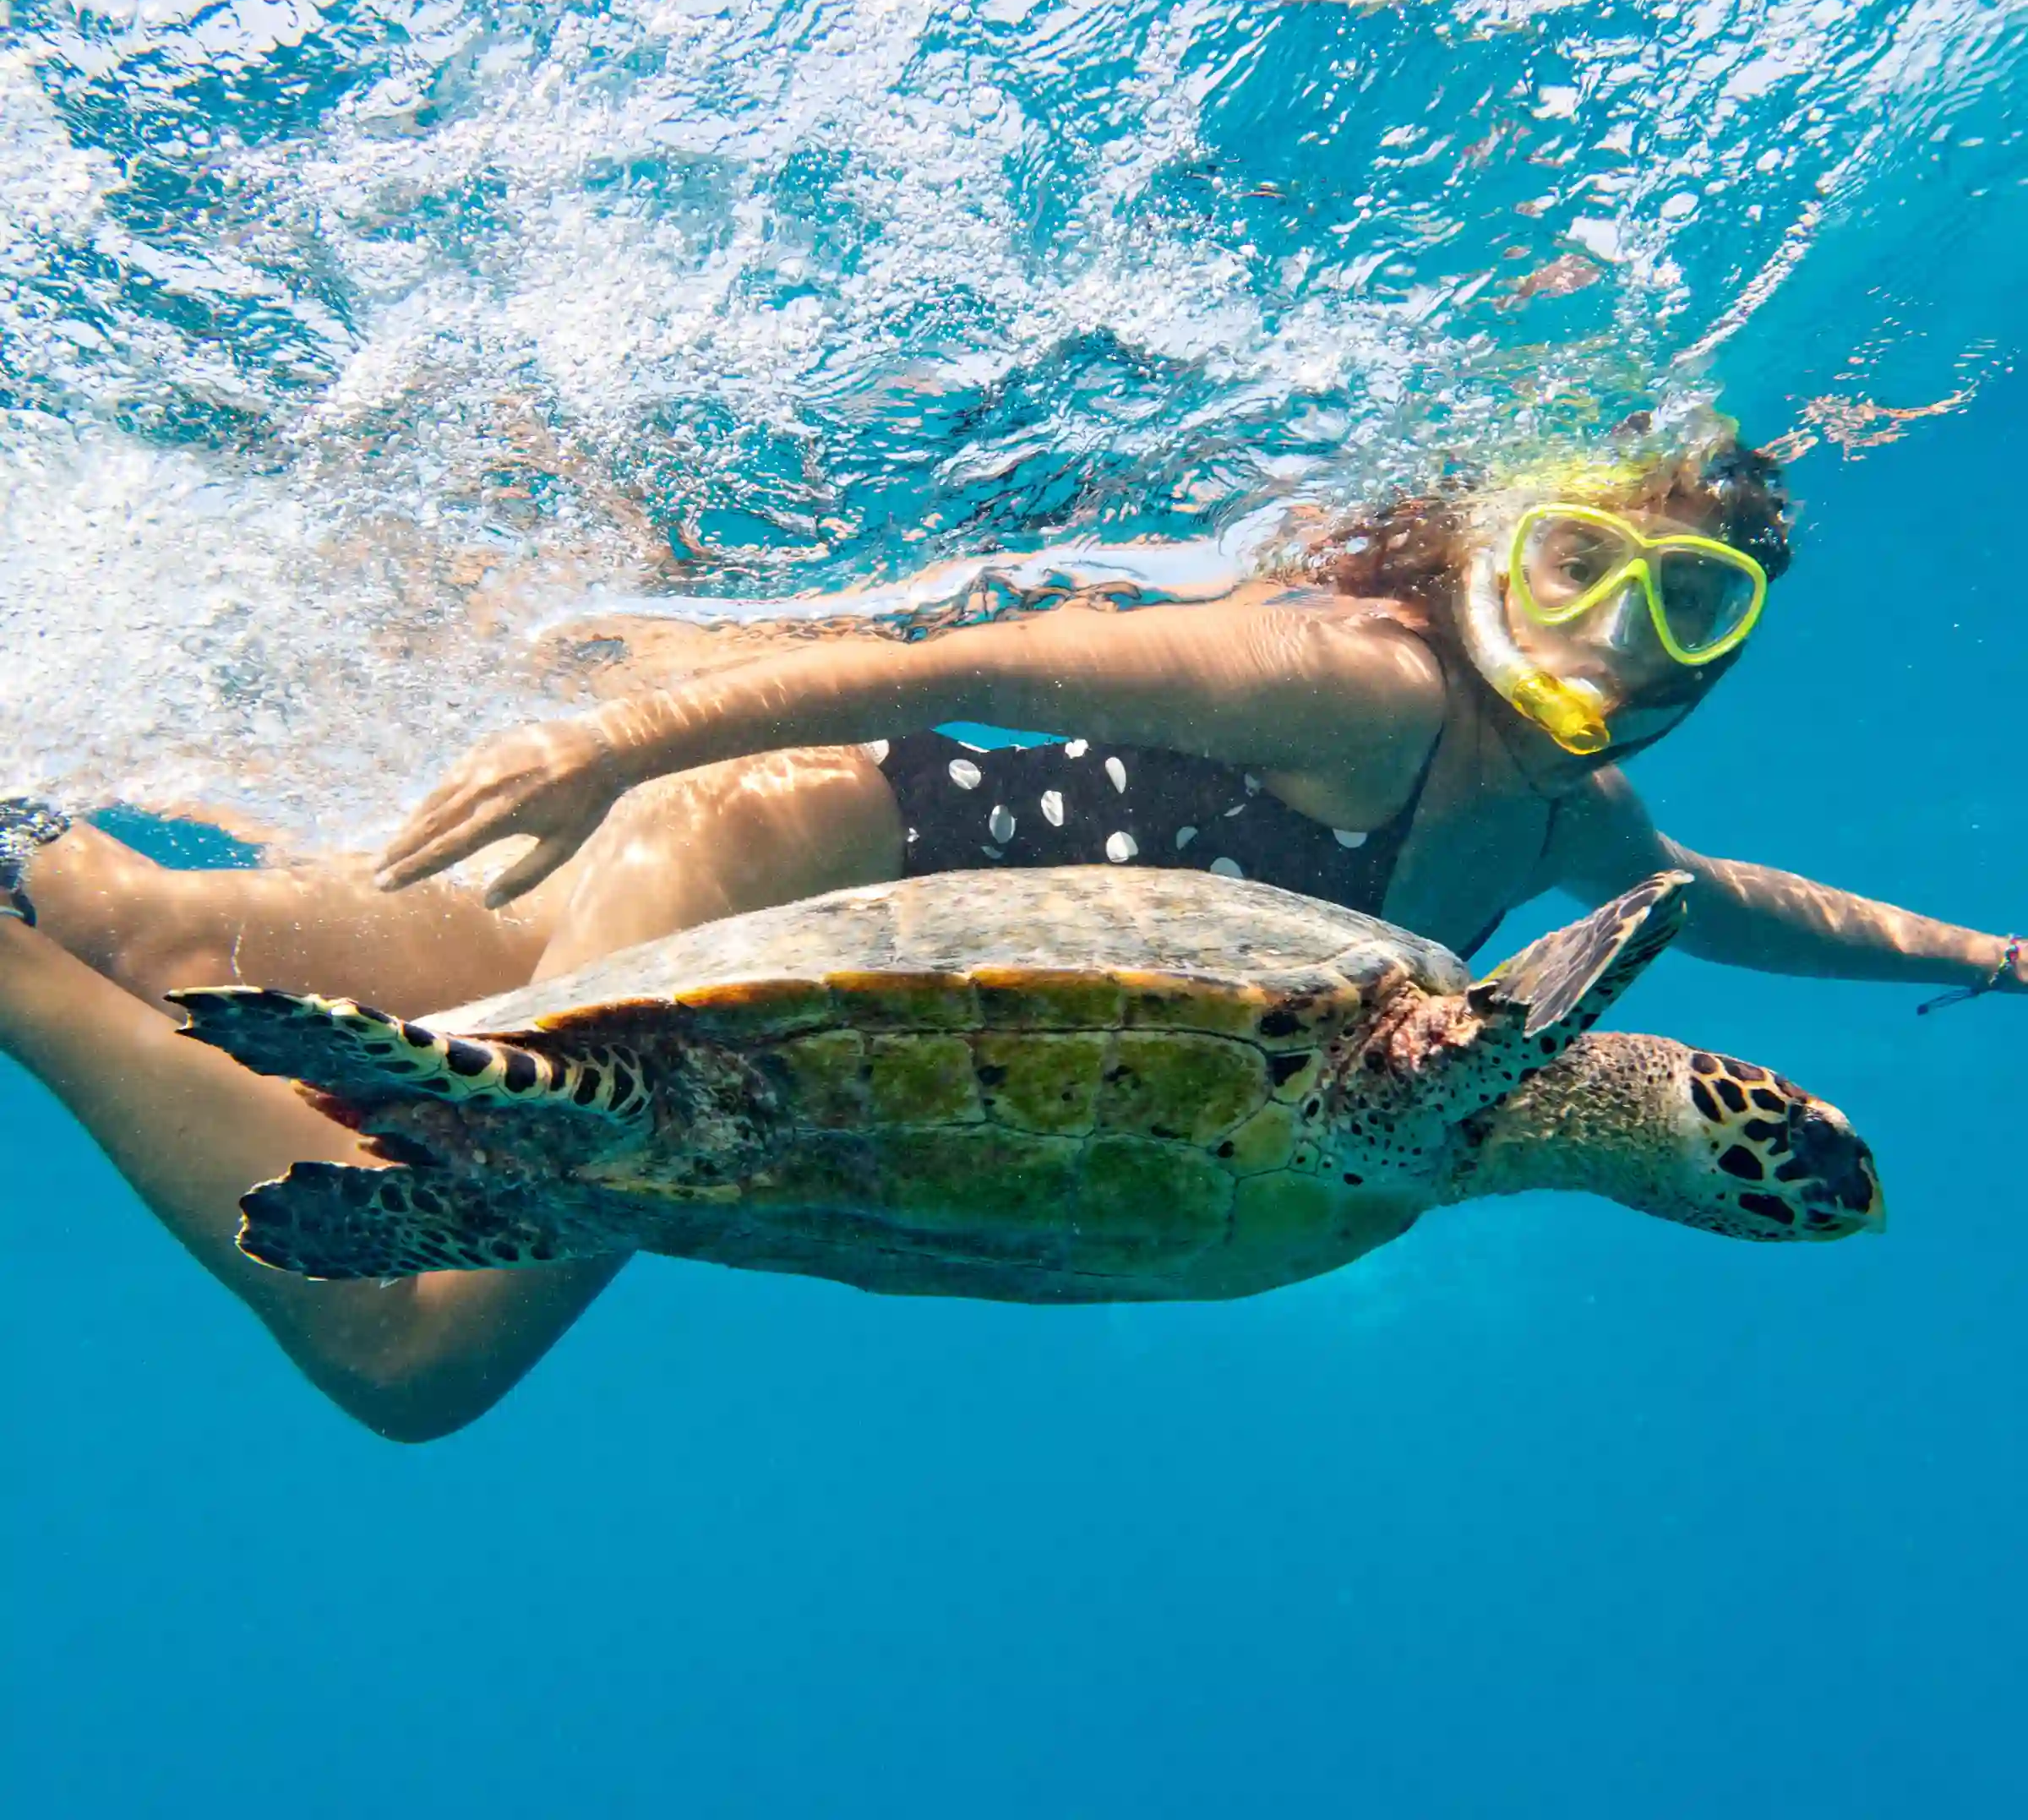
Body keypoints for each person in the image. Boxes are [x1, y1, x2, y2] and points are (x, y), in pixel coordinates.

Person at [1, 426, 2016, 1440]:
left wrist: (1996, 961)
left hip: (828, 918)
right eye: (1582, 565)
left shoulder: (1571, 816)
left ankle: (30, 858)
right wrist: (613, 739)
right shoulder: (1354, 686)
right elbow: (960, 661)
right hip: (771, 877)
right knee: (414, 1342)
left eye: (1693, 608)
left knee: (159, 934)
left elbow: (1732, 907)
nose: (1618, 639)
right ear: (1493, 541)